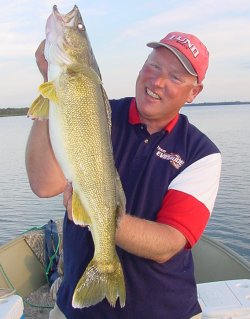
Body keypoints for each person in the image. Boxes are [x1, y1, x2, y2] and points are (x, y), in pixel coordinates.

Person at [25, 31, 222, 319]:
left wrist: (96, 215)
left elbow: (168, 243)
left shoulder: (201, 153)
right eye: (153, 66)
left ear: (194, 92)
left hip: (165, 312)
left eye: (175, 77)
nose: (157, 81)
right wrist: (51, 84)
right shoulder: (97, 112)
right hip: (77, 311)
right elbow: (44, 185)